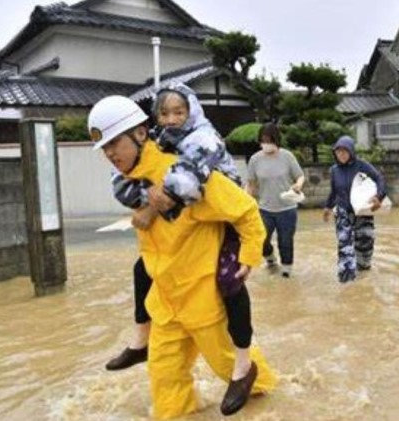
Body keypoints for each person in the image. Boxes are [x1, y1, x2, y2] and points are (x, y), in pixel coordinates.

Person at [88, 95, 277, 418]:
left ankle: (276, 400)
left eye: (115, 143)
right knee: (164, 379)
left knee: (237, 372)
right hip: (166, 304)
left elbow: (245, 209)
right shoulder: (133, 185)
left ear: (140, 134)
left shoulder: (187, 176)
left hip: (204, 302)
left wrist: (248, 257)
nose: (109, 153)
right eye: (104, 148)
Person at [105, 82, 254, 388]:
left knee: (230, 280)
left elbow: (186, 183)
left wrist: (149, 206)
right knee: (141, 269)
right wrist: (147, 197)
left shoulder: (204, 137)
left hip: (224, 218)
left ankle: (244, 362)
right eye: (164, 113)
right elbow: (126, 183)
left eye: (179, 112)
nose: (171, 118)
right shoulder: (160, 143)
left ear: (191, 112)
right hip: (173, 285)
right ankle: (140, 339)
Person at [322, 135, 387, 283]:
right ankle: (346, 279)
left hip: (362, 211)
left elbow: (379, 179)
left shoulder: (362, 166)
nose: (342, 155)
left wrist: (379, 197)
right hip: (343, 212)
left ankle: (364, 270)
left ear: (351, 151)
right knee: (344, 245)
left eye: (345, 151)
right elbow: (334, 191)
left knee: (365, 244)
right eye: (338, 152)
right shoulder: (334, 170)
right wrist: (327, 207)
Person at [246, 123, 305, 278]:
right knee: (260, 239)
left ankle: (286, 271)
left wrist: (298, 185)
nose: (266, 143)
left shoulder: (287, 156)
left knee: (285, 242)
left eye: (269, 140)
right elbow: (251, 183)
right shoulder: (255, 159)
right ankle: (271, 259)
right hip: (265, 209)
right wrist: (246, 202)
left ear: (276, 140)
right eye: (263, 140)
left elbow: (300, 175)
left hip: (287, 209)